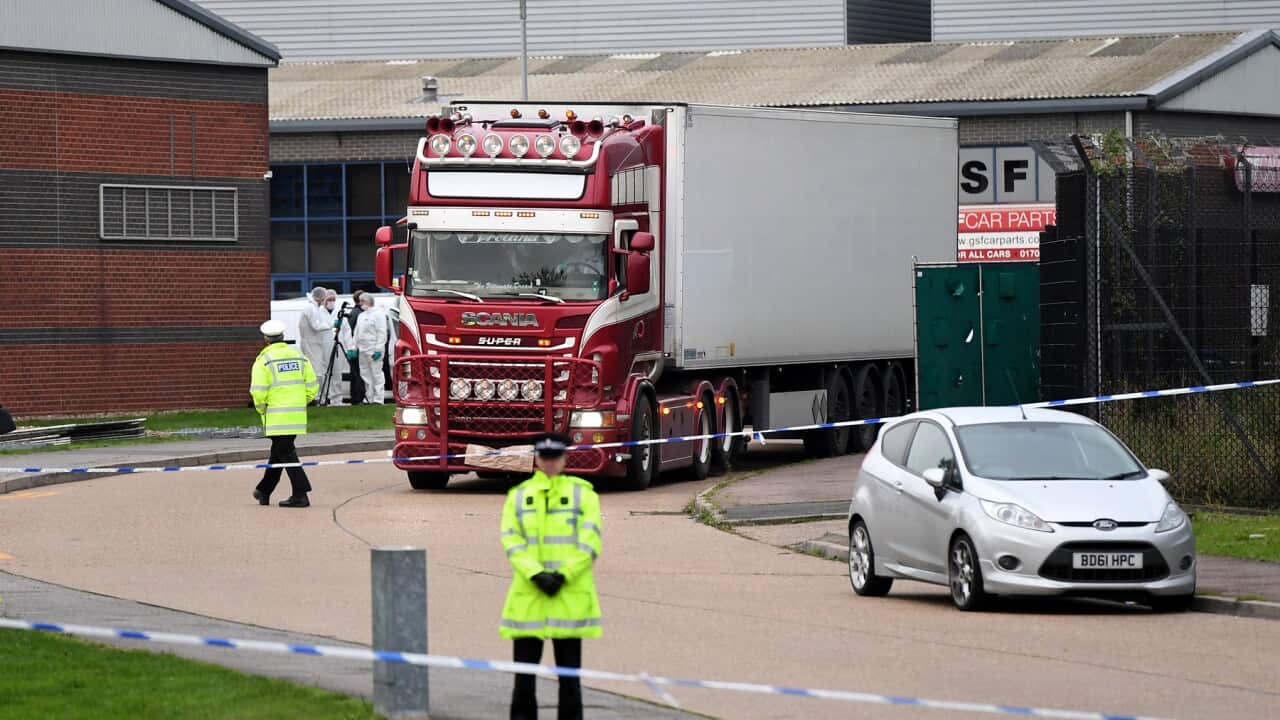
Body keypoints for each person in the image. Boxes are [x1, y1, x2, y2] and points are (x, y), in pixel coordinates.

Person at [501, 434, 602, 720]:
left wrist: (562, 574)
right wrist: (535, 574)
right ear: (536, 458)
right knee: (523, 682)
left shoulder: (584, 494)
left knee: (570, 682)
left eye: (555, 457)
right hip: (530, 599)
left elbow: (590, 541)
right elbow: (511, 540)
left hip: (567, 597)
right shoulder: (519, 496)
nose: (549, 463)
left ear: (564, 458)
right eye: (544, 457)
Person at [250, 320, 318, 508]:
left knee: (286, 453)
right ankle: (263, 491)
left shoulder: (264, 360)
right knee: (279, 453)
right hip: (296, 416)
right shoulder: (299, 356)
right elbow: (312, 386)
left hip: (276, 417)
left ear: (266, 339)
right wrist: (299, 402)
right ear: (282, 337)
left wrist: (262, 409)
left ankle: (301, 493)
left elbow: (258, 392)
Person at [298, 286, 337, 405]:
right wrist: (332, 324)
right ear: (320, 298)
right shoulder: (311, 308)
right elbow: (316, 326)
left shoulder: (314, 308)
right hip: (311, 343)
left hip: (314, 343)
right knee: (316, 371)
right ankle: (314, 397)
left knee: (318, 370)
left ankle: (319, 396)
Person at [353, 293, 388, 404]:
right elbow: (357, 333)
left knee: (376, 374)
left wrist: (378, 349)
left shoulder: (378, 314)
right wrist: (354, 347)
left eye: (362, 301)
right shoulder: (361, 316)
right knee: (366, 375)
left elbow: (382, 333)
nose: (360, 304)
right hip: (363, 350)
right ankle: (369, 397)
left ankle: (378, 399)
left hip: (373, 350)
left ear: (367, 302)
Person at [342, 290, 367, 404]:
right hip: (357, 348)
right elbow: (353, 332)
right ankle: (358, 398)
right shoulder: (359, 314)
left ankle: (356, 398)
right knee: (359, 374)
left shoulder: (353, 312)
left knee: (356, 374)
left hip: (354, 348)